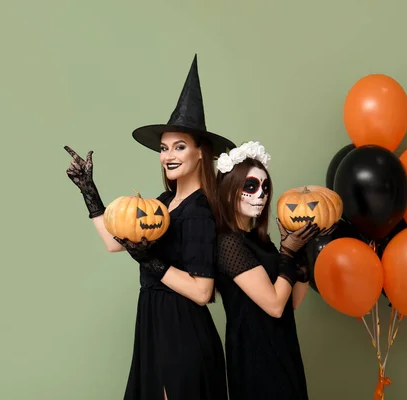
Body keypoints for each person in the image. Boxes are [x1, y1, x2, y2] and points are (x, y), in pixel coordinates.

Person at [64, 55, 236, 400]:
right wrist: (89, 192)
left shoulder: (200, 211)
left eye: (179, 146)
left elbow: (203, 292)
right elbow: (117, 243)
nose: (168, 155)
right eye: (163, 148)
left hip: (181, 330)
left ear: (201, 154)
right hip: (155, 325)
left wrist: (151, 262)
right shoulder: (163, 202)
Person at [214, 141, 330, 400]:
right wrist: (287, 253)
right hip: (254, 354)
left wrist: (302, 253)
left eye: (265, 188)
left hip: (283, 345)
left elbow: (293, 302)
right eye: (251, 187)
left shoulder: (260, 240)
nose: (261, 195)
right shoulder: (228, 242)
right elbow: (275, 305)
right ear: (229, 189)